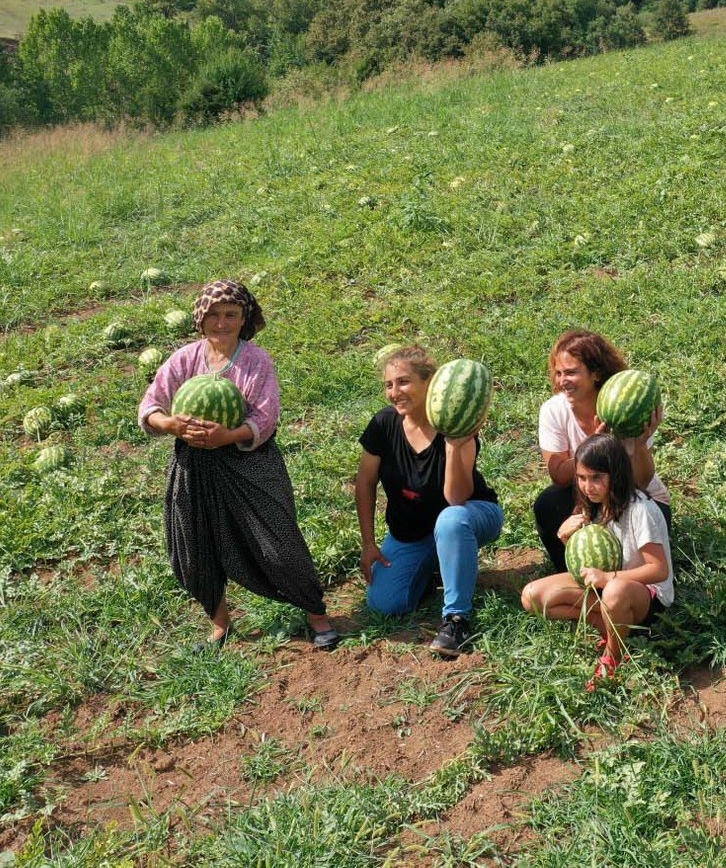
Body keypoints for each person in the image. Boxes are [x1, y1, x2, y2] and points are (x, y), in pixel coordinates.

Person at [139, 279, 339, 651]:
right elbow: (150, 406)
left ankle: (316, 615)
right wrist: (171, 424)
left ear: (244, 318)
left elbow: (266, 416)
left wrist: (227, 436)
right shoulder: (183, 359)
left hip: (249, 464)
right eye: (213, 315)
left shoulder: (256, 360)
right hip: (193, 465)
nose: (222, 322)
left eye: (231, 314)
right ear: (200, 318)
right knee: (195, 545)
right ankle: (219, 624)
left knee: (279, 544)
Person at [354, 346, 503, 657]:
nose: (395, 392)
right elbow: (365, 483)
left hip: (471, 516)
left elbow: (456, 497)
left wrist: (453, 446)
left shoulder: (458, 425)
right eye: (389, 385)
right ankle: (439, 566)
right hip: (411, 533)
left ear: (430, 383)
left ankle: (457, 619)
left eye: (404, 382)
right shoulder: (383, 424)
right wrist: (369, 544)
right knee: (385, 603)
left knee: (450, 521)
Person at [520, 434, 674, 691]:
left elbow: (658, 569)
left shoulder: (641, 510)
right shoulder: (592, 505)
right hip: (608, 587)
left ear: (616, 474)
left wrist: (608, 578)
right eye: (581, 478)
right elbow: (585, 559)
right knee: (532, 597)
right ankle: (614, 626)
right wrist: (565, 538)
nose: (587, 486)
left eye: (596, 478)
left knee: (614, 591)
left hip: (646, 595)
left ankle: (614, 656)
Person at [533, 329, 670, 572]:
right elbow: (559, 476)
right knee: (549, 502)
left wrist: (639, 444)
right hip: (588, 496)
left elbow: (640, 482)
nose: (562, 380)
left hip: (636, 499)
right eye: (558, 373)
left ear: (595, 373)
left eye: (571, 372)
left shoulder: (624, 408)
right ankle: (572, 573)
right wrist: (593, 442)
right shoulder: (554, 411)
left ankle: (629, 580)